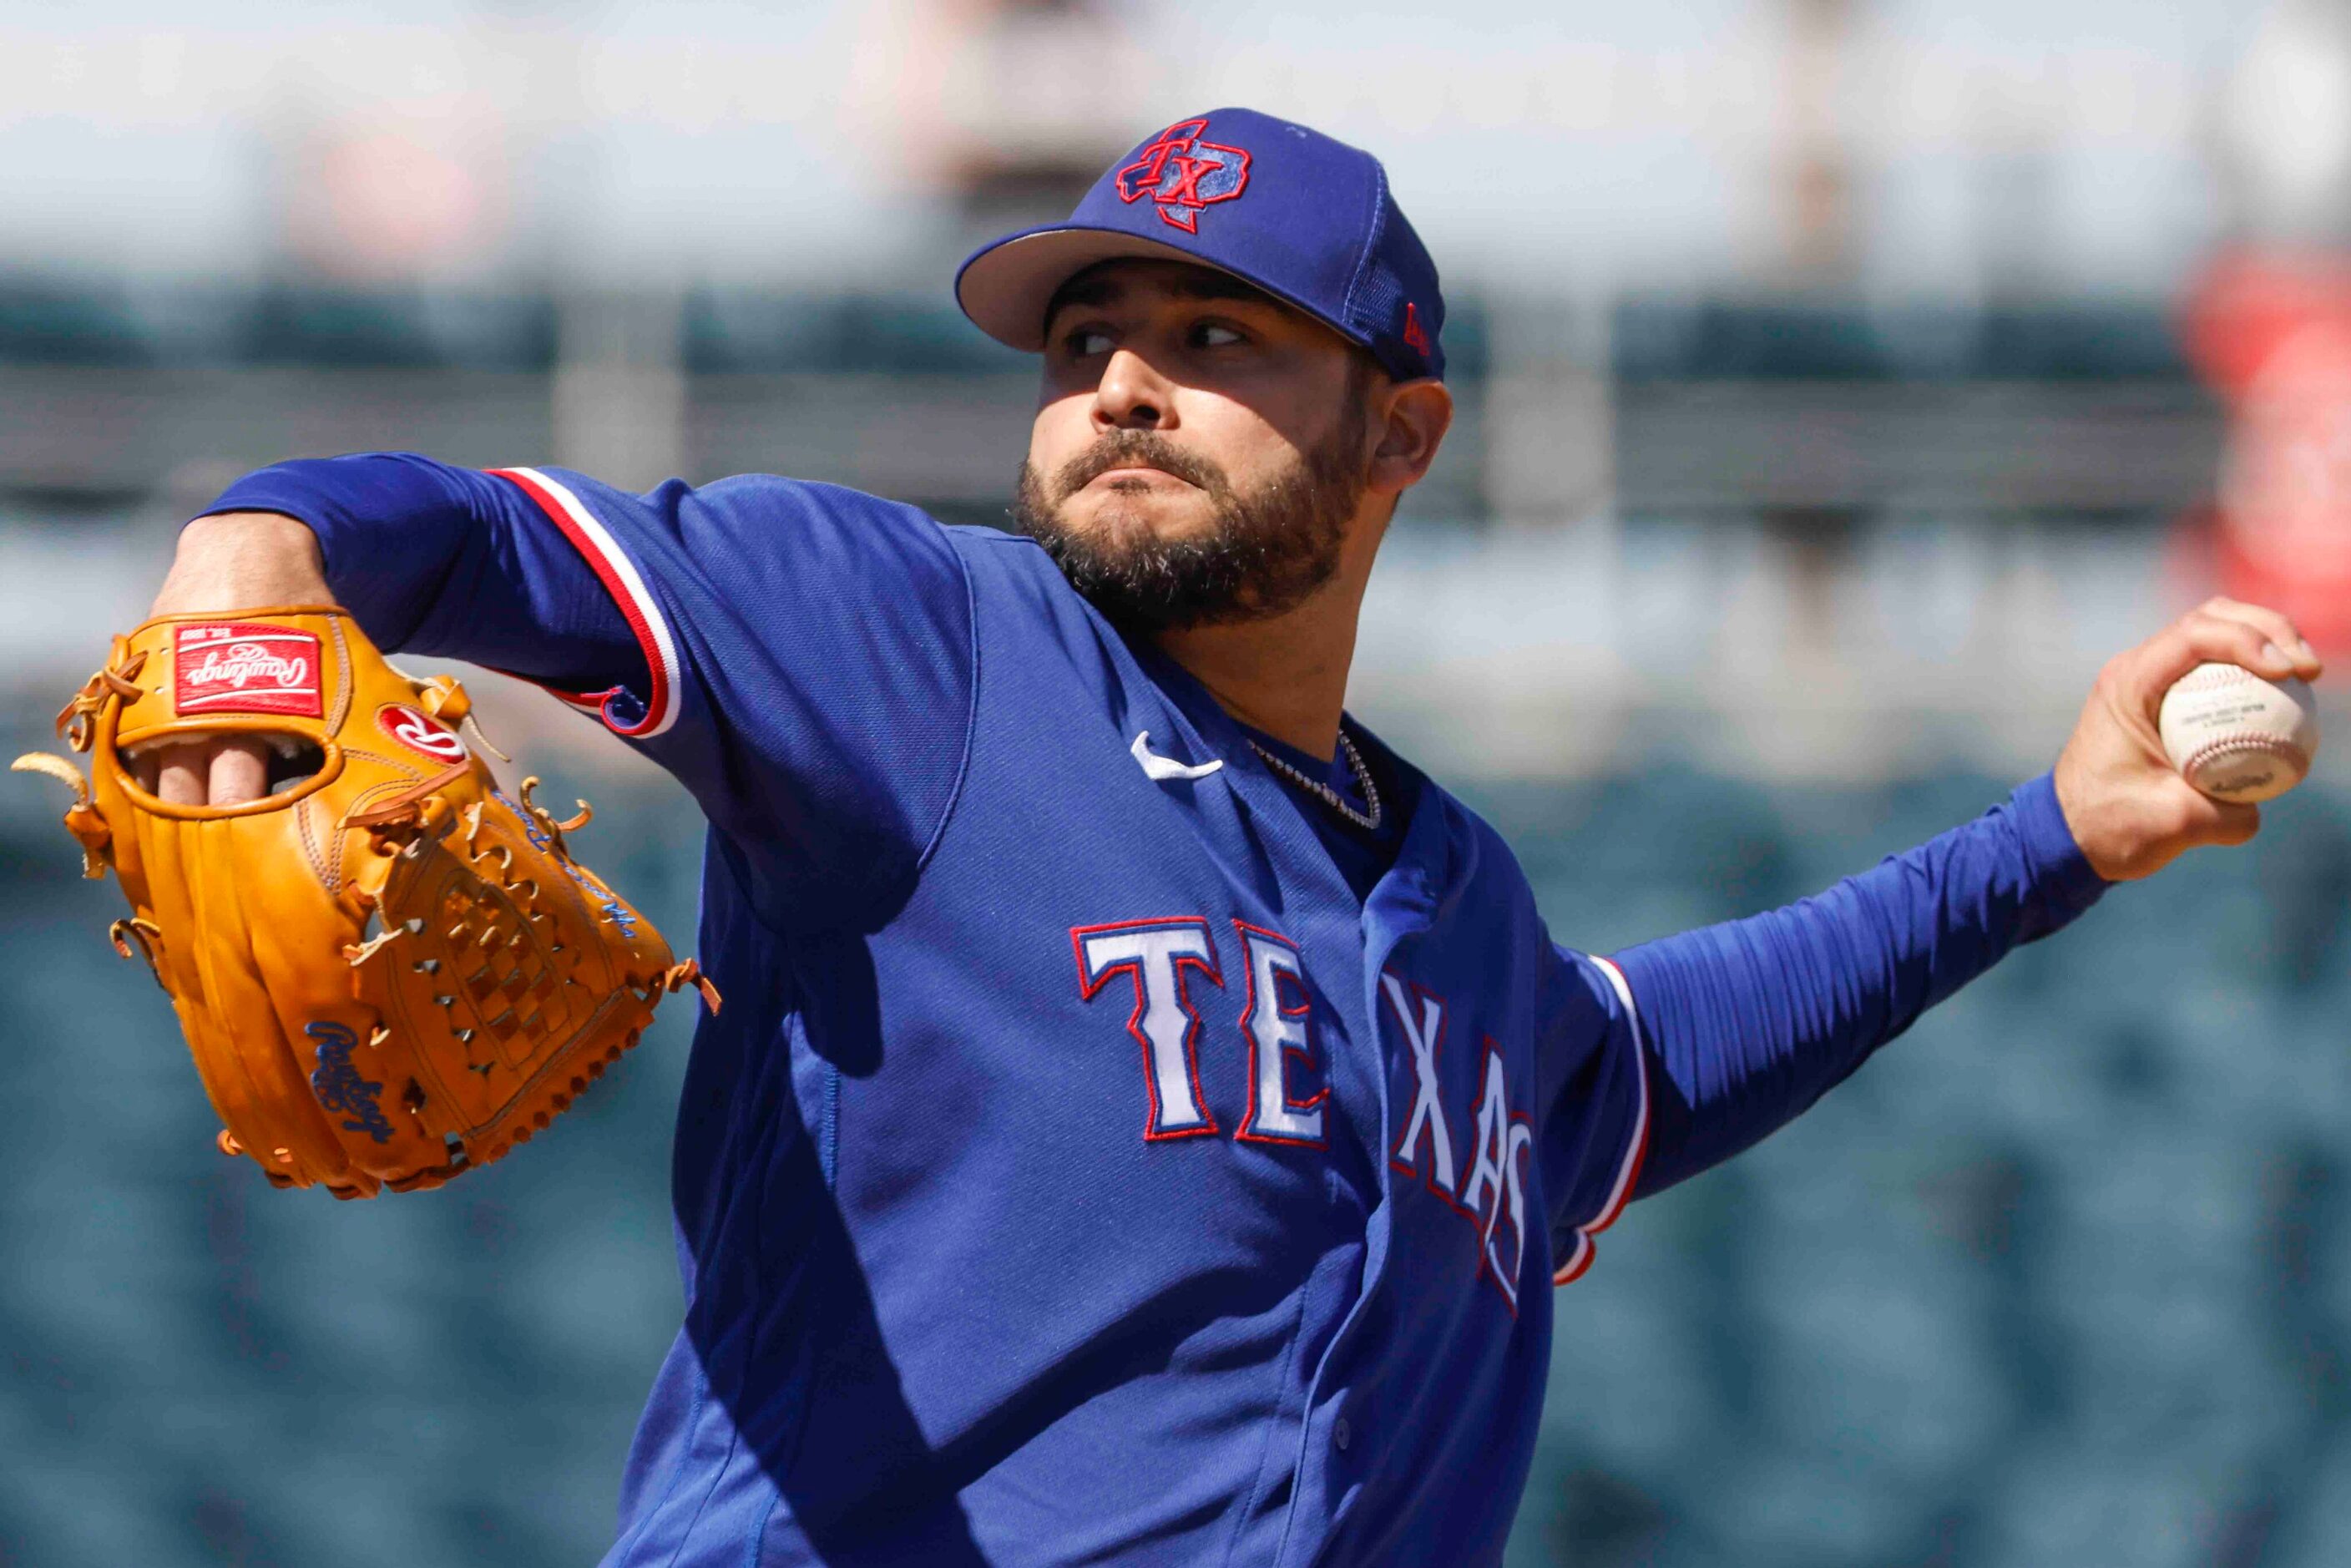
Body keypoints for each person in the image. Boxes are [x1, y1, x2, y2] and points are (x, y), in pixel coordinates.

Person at [139, 109, 2320, 1567]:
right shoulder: (924, 644)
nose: (1120, 384)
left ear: (1402, 428)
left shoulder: (1453, 899)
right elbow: (451, 534)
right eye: (1083, 337)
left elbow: (1631, 1070)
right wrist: (250, 581)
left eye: (1211, 332)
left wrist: (2054, 835)